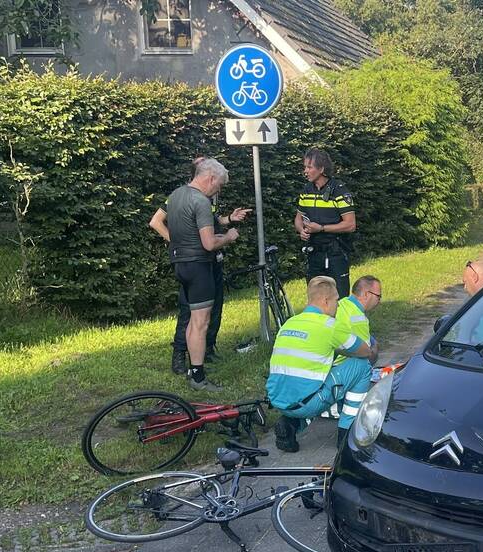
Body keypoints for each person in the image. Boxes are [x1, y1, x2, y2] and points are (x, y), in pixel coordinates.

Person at [150, 158, 251, 375]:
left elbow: (202, 225)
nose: (218, 190)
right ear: (210, 177)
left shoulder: (178, 195)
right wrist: (229, 237)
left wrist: (228, 219)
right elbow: (208, 242)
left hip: (183, 263)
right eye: (219, 184)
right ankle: (194, 371)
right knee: (196, 319)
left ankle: (198, 359)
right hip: (198, 264)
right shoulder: (200, 200)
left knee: (197, 316)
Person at [268, 276, 376, 453]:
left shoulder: (290, 322)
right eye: (336, 300)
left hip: (279, 400)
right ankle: (347, 432)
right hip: (307, 403)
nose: (338, 305)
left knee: (316, 378)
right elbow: (365, 351)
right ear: (326, 301)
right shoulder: (330, 325)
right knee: (362, 366)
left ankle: (290, 424)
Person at [296, 148, 356, 298]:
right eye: (305, 167)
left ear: (321, 169)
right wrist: (301, 230)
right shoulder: (306, 190)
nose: (305, 171)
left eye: (309, 167)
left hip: (335, 252)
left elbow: (350, 224)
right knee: (316, 298)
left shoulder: (339, 191)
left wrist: (321, 228)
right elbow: (298, 218)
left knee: (339, 298)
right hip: (314, 252)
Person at [322, 275, 383, 420]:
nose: (379, 301)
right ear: (367, 294)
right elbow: (367, 354)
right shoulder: (359, 319)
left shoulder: (342, 304)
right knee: (364, 364)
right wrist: (375, 347)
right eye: (379, 296)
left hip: (322, 365)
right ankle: (343, 407)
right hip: (335, 370)